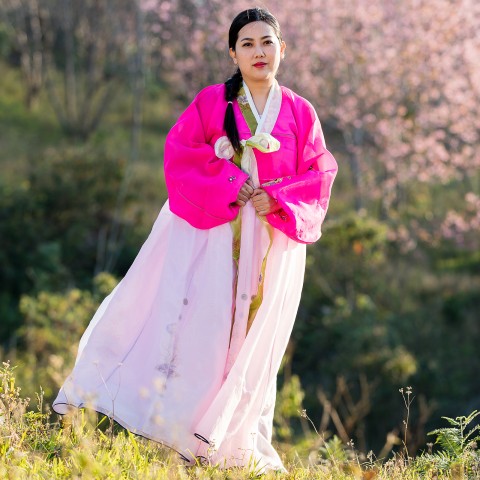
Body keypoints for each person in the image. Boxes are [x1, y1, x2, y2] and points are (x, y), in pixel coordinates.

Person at [52, 7, 337, 473]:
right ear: (232, 53)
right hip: (215, 242)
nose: (258, 52)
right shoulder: (213, 102)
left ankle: (230, 443)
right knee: (202, 331)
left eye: (267, 42)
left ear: (282, 49)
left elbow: (320, 174)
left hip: (270, 244)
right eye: (247, 44)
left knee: (251, 342)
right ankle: (183, 434)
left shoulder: (302, 113)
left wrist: (279, 198)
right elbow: (180, 155)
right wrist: (230, 182)